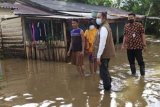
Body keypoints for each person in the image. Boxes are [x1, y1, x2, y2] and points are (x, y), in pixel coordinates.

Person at [93, 12, 116, 90]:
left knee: (103, 73)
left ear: (104, 18)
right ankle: (109, 83)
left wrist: (98, 56)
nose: (97, 19)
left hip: (103, 54)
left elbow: (102, 43)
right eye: (97, 17)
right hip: (106, 53)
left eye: (99, 17)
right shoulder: (105, 26)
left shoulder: (103, 28)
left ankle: (107, 89)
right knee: (105, 70)